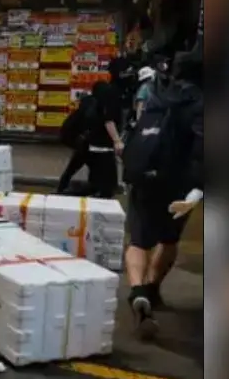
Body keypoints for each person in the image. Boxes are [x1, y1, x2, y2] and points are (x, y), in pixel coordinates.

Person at [121, 49, 204, 337]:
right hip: (179, 183)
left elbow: (138, 128)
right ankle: (153, 287)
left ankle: (137, 292)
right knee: (168, 238)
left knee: (138, 241)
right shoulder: (201, 103)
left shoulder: (157, 93)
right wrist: (198, 188)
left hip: (145, 176)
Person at [83, 79, 123, 199]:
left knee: (95, 182)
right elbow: (109, 121)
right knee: (106, 186)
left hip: (93, 147)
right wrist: (117, 141)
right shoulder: (108, 105)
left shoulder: (93, 104)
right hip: (105, 148)